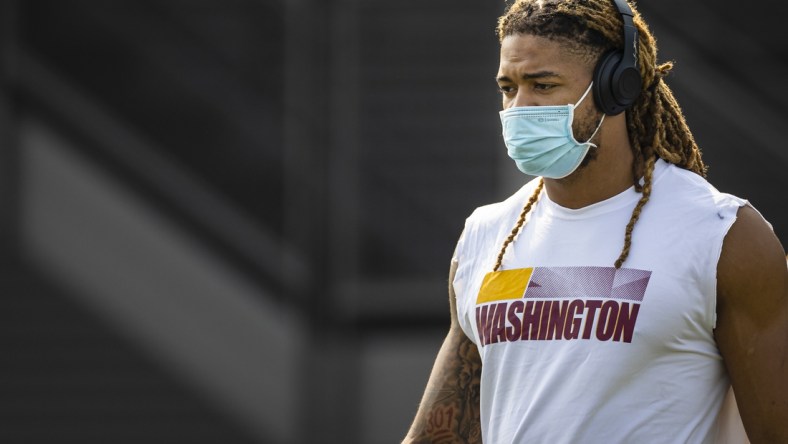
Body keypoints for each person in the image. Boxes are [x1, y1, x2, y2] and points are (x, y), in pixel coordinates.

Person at [403, 0, 787, 442]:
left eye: (542, 86)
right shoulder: (487, 235)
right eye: (508, 88)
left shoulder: (722, 234)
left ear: (615, 88)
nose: (518, 108)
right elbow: (439, 435)